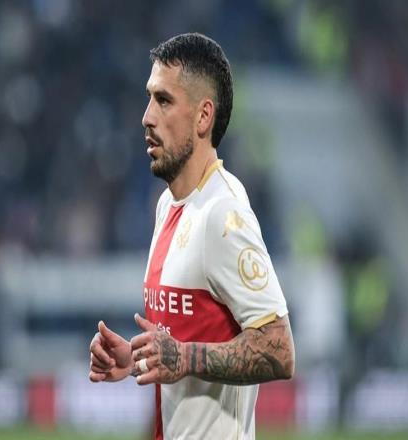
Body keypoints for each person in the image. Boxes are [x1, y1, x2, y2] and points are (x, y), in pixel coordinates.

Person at [89, 32, 295, 440]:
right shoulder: (168, 205)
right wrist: (137, 358)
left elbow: (280, 350)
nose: (147, 117)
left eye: (164, 101)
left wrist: (184, 356)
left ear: (203, 117)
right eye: (149, 98)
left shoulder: (223, 214)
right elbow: (181, 345)